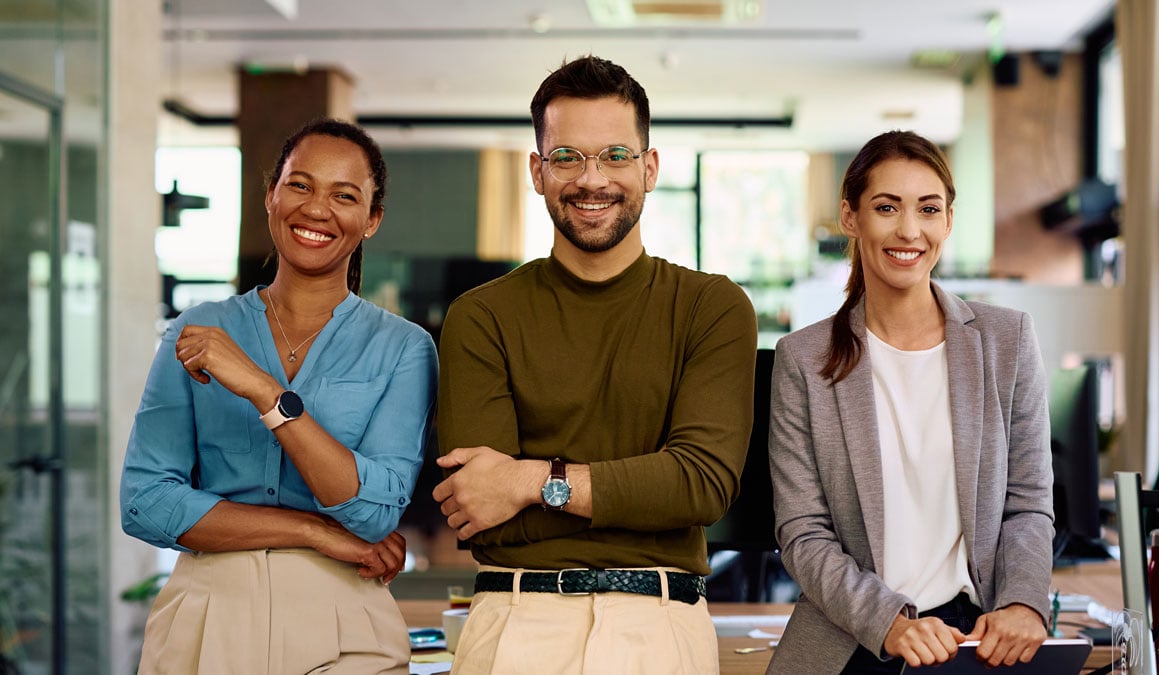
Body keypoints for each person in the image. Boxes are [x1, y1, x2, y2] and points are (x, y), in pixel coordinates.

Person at [432, 55, 758, 674]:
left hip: (660, 624)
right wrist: (642, 500)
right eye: (567, 157)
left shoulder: (711, 307)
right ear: (537, 171)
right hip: (515, 623)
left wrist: (530, 482)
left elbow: (701, 485)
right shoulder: (482, 316)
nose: (592, 180)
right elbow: (482, 516)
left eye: (615, 155)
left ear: (650, 167)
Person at [120, 118, 437, 674]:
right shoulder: (196, 331)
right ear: (270, 195)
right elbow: (145, 501)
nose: (317, 209)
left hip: (345, 621)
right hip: (206, 616)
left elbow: (374, 512)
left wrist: (267, 392)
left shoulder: (403, 348)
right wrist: (312, 530)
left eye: (345, 195)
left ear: (371, 220)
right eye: (300, 185)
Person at [766, 130, 1054, 674]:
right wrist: (890, 623)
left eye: (928, 209)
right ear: (851, 218)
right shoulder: (802, 359)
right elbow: (803, 532)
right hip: (855, 638)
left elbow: (1028, 502)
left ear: (947, 220)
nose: (909, 230)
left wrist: (1022, 600)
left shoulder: (1007, 340)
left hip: (979, 640)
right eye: (886, 207)